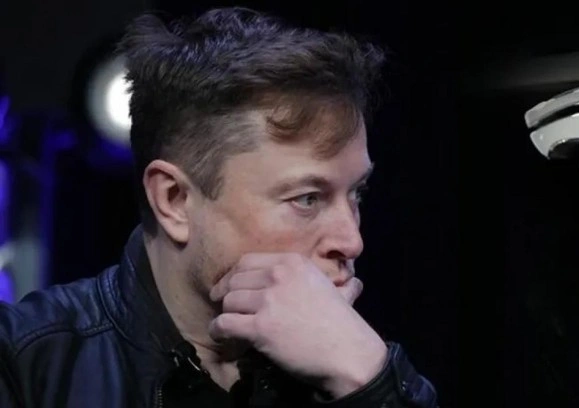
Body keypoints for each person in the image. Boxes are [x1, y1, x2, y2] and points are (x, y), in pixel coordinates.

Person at [0, 6, 439, 408]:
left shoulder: (358, 363)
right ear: (174, 200)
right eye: (307, 199)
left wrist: (369, 383)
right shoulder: (24, 365)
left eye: (357, 193)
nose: (352, 240)